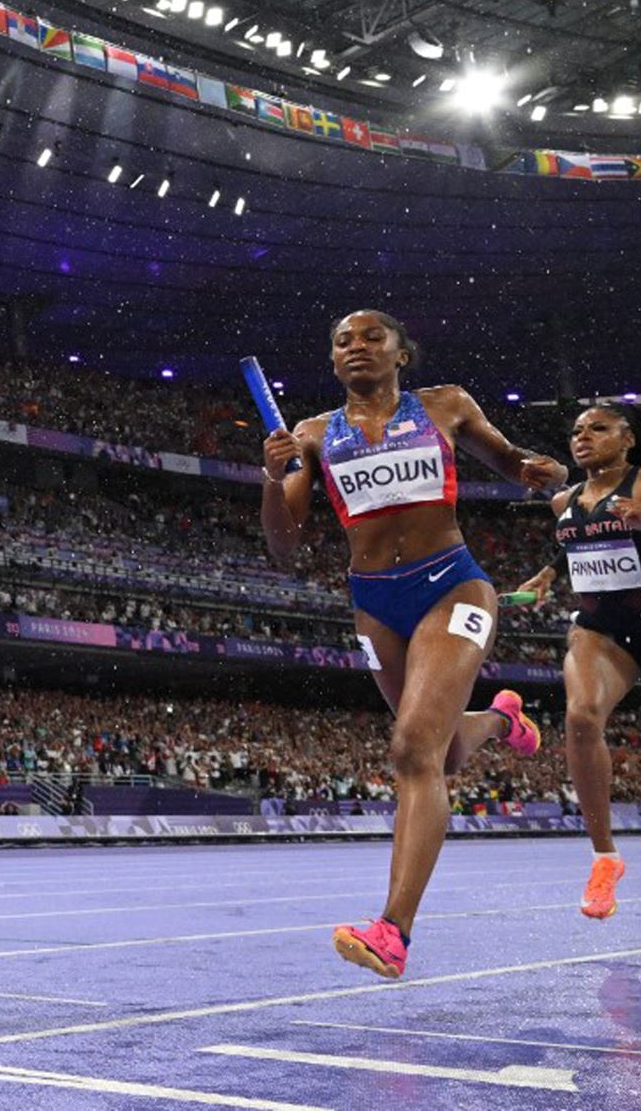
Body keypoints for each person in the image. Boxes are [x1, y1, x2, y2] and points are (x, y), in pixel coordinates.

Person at [260, 310, 566, 979]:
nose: (357, 348)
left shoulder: (445, 405)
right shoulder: (311, 436)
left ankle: (393, 930)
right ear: (333, 361)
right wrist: (269, 477)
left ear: (403, 353)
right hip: (374, 604)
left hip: (453, 588)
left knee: (410, 749)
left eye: (372, 337)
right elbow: (283, 547)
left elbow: (506, 457)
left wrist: (528, 467)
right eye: (343, 341)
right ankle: (500, 719)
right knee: (444, 751)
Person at [511, 402, 641, 919]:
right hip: (604, 631)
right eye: (576, 431)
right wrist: (548, 576)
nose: (582, 437)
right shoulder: (564, 501)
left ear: (628, 438)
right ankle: (605, 857)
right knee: (580, 716)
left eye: (598, 428)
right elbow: (575, 547)